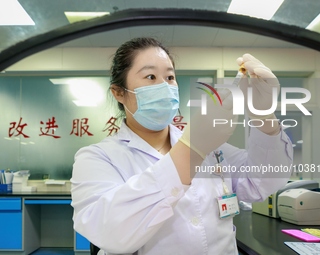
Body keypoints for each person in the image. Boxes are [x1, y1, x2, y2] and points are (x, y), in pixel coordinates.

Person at [71, 37, 293, 255]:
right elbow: (111, 235)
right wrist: (191, 150)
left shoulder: (213, 150)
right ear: (119, 92)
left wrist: (264, 119)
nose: (164, 86)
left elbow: (261, 182)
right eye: (150, 76)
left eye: (169, 77)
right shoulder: (97, 158)